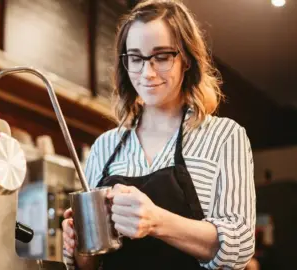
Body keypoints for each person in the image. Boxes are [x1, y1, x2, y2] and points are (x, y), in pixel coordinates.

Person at [62, 0, 256, 269]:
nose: (147, 72)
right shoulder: (104, 147)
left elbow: (240, 245)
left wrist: (155, 221)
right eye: (135, 58)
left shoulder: (224, 137)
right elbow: (91, 265)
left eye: (161, 57)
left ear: (186, 59)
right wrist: (79, 245)